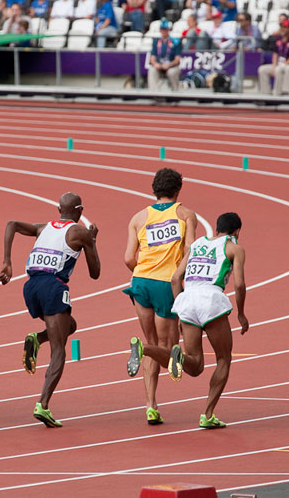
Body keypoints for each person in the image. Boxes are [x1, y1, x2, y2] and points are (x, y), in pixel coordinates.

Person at [128, 212, 248, 429]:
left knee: (194, 365)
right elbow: (239, 285)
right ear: (237, 231)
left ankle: (145, 349)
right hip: (211, 299)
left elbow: (176, 278)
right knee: (223, 359)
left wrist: (180, 308)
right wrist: (241, 313)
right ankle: (208, 414)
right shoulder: (234, 248)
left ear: (217, 227)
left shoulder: (196, 245)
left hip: (188, 299)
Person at [0, 192, 100, 427]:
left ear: (58, 209)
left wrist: (7, 261)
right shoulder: (80, 232)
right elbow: (95, 274)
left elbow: (11, 224)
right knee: (59, 351)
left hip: (30, 287)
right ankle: (42, 405)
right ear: (80, 211)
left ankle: (37, 338)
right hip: (52, 287)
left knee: (69, 326)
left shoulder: (43, 228)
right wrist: (92, 242)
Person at [123, 168, 197, 425]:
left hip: (140, 282)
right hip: (167, 282)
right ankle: (142, 350)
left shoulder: (138, 217)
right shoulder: (186, 215)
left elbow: (128, 258)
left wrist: (143, 273)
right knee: (164, 348)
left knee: (152, 342)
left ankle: (150, 406)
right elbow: (190, 250)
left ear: (154, 190)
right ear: (178, 191)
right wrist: (178, 277)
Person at [258, 20, 289, 95]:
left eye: (285, 27)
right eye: (282, 27)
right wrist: (274, 66)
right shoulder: (278, 39)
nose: (283, 29)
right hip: (279, 64)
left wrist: (283, 65)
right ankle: (266, 93)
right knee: (262, 69)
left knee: (279, 69)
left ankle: (277, 93)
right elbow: (275, 54)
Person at [147, 19, 181, 91]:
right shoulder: (156, 41)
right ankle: (154, 93)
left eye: (165, 29)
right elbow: (152, 58)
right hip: (160, 66)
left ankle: (175, 93)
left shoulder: (175, 41)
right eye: (162, 29)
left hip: (171, 66)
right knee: (152, 70)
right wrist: (156, 64)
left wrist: (169, 65)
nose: (164, 31)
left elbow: (177, 60)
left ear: (169, 30)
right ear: (160, 30)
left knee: (172, 72)